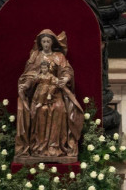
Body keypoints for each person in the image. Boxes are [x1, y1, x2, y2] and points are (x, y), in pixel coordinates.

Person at [15, 30, 85, 162]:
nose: (46, 44)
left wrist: (65, 79)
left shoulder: (59, 56)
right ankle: (39, 147)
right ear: (40, 43)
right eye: (43, 41)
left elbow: (67, 70)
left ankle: (55, 146)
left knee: (60, 109)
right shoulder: (35, 56)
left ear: (52, 42)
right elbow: (30, 75)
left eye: (48, 41)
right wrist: (26, 85)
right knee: (41, 111)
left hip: (56, 92)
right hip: (39, 94)